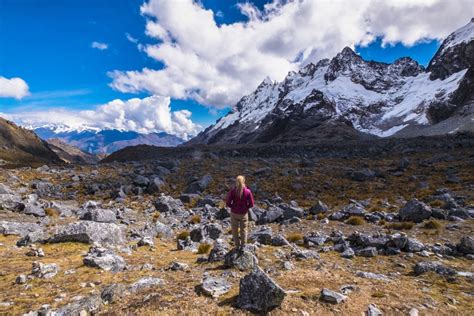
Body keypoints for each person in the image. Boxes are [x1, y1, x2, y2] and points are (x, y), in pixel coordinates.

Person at [226, 175, 254, 249]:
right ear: (244, 181)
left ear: (236, 182)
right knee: (244, 229)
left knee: (234, 230)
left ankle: (237, 246)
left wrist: (233, 207)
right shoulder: (248, 191)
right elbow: (251, 204)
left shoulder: (233, 191)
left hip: (234, 213)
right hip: (243, 214)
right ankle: (243, 245)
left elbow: (228, 202)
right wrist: (246, 208)